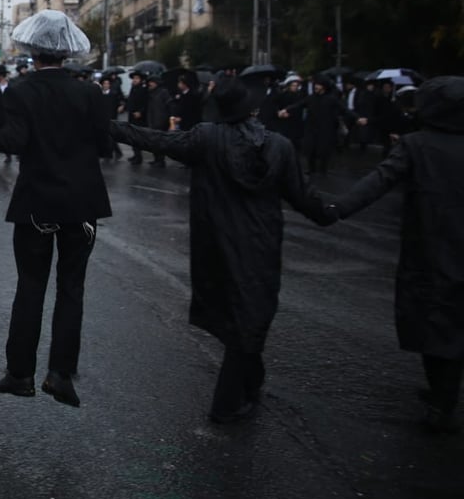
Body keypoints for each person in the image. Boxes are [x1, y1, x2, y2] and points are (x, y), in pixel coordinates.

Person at [110, 75, 334, 423]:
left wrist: (104, 125)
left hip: (216, 245)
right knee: (252, 314)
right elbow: (305, 198)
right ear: (253, 108)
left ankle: (249, 380)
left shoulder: (205, 139)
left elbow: (156, 139)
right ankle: (227, 402)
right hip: (260, 244)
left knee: (239, 315)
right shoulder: (279, 147)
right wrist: (335, 212)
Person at [0, 10, 111, 409]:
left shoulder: (21, 91)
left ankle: (20, 374)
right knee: (72, 288)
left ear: (32, 50)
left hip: (36, 204)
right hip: (82, 205)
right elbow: (105, 144)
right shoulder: (89, 92)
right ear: (66, 51)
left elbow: (13, 141)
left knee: (30, 286)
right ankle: (61, 374)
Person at [325, 77, 464, 433]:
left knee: (434, 318)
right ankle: (443, 392)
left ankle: (442, 399)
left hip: (430, 244)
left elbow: (380, 180)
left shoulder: (417, 145)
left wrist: (337, 208)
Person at [279, 74, 363, 176]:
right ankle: (311, 168)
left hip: (325, 128)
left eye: (318, 85)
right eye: (315, 85)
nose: (316, 87)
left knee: (323, 150)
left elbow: (344, 109)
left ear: (324, 87)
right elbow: (298, 105)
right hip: (311, 128)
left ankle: (323, 169)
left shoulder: (331, 99)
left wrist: (357, 117)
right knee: (310, 149)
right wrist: (285, 110)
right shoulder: (311, 98)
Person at [146, 75, 172, 167]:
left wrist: (169, 119)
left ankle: (161, 160)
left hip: (161, 121)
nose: (150, 84)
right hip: (152, 120)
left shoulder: (163, 92)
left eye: (152, 82)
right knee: (154, 142)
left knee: (160, 141)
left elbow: (169, 105)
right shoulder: (150, 92)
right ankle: (156, 159)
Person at [125, 71, 149, 165]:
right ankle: (135, 155)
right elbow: (130, 100)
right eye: (134, 78)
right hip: (132, 116)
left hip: (139, 118)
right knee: (132, 137)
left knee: (137, 137)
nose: (135, 80)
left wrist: (140, 112)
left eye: (137, 78)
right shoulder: (133, 88)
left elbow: (145, 103)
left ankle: (138, 157)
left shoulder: (143, 89)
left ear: (141, 80)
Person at [99, 75, 125, 160]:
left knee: (110, 135)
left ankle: (110, 153)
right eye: (104, 83)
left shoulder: (113, 93)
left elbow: (120, 101)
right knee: (107, 136)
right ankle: (115, 152)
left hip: (112, 116)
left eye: (108, 83)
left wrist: (121, 106)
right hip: (103, 117)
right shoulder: (100, 94)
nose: (106, 85)